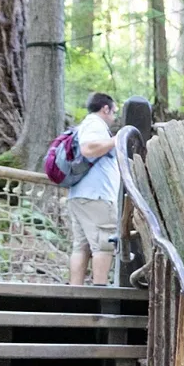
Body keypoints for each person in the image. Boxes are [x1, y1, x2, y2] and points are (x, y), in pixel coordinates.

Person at [67, 93, 121, 287]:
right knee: (104, 244)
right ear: (105, 109)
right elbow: (88, 148)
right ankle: (100, 293)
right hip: (97, 196)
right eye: (114, 112)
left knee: (82, 247)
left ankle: (76, 294)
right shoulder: (95, 124)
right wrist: (116, 140)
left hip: (80, 195)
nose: (114, 117)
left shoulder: (85, 125)